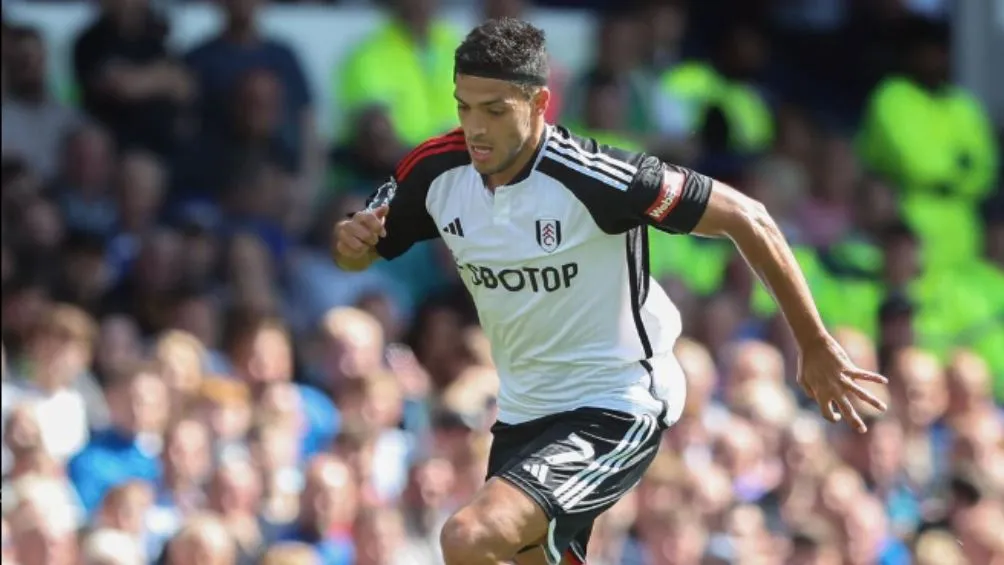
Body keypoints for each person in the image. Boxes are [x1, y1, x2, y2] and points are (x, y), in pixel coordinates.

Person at [333, 17, 888, 565]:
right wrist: (351, 244)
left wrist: (813, 343)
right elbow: (358, 252)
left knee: (470, 536)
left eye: (495, 110)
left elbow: (750, 217)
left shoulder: (595, 176)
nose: (475, 128)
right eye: (464, 106)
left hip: (615, 400)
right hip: (524, 409)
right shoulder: (435, 172)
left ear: (539, 103)